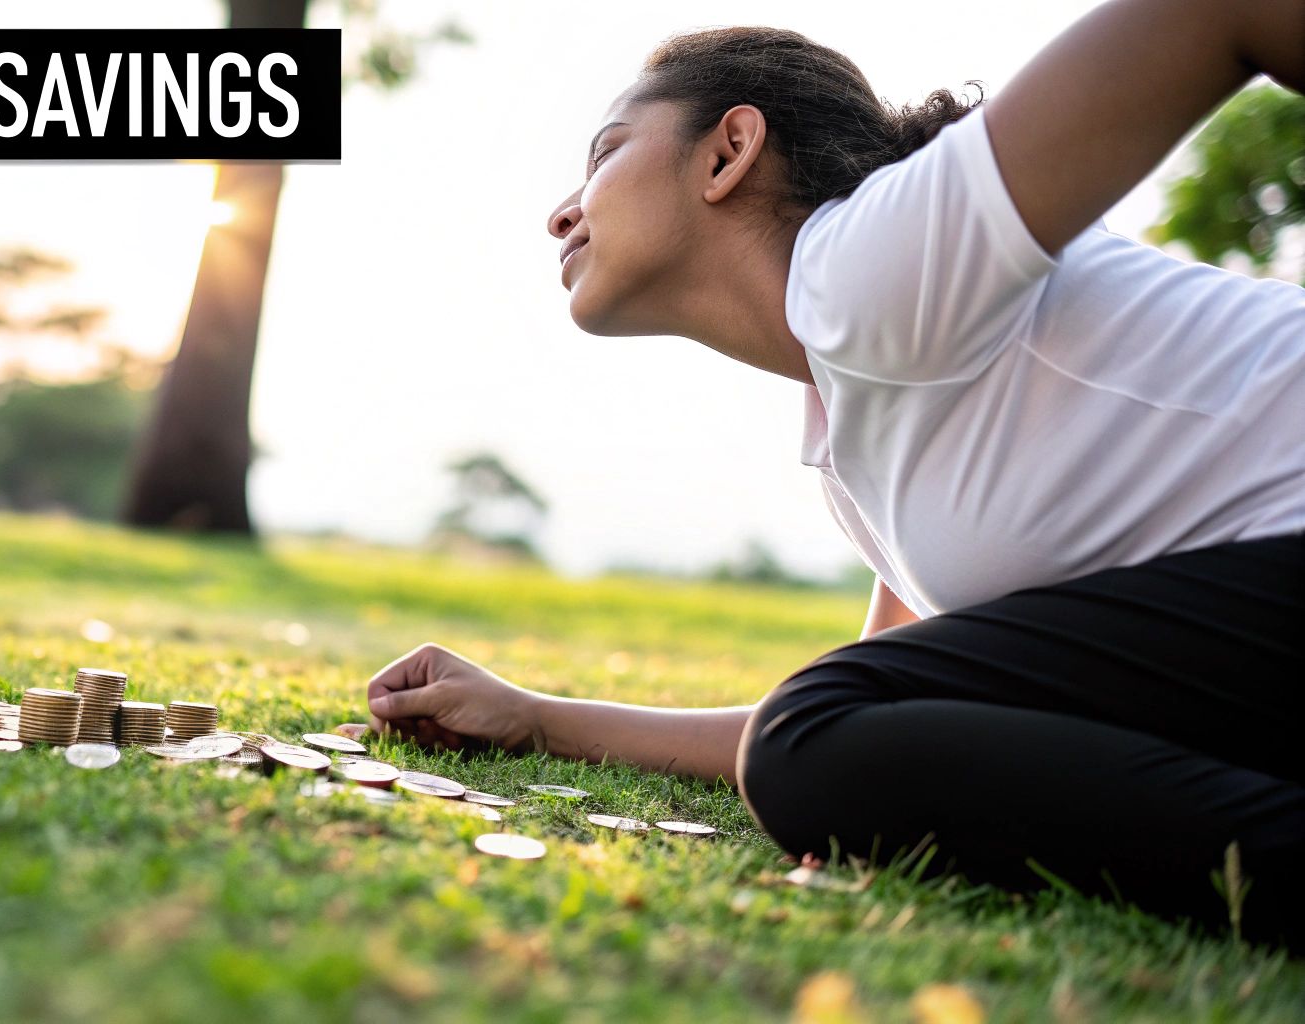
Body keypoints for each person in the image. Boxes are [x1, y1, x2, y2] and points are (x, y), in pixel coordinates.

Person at [363, 2, 1305, 949]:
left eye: (605, 153)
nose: (563, 210)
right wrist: (533, 717)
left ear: (729, 150)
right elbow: (868, 725)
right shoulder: (854, 432)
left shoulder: (871, 261)